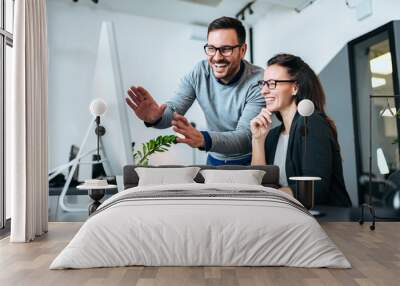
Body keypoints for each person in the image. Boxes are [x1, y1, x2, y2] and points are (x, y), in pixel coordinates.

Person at [126, 16, 264, 166]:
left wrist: (203, 139)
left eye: (226, 49)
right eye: (211, 49)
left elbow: (245, 138)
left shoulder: (259, 81)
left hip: (249, 159)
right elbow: (174, 109)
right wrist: (155, 118)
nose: (217, 57)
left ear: (242, 50)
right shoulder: (199, 72)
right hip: (214, 158)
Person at [250, 53, 352, 206]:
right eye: (263, 83)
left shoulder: (312, 123)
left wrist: (268, 195)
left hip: (328, 222)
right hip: (292, 217)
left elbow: (314, 190)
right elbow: (258, 183)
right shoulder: (272, 135)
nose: (263, 91)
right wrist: (257, 140)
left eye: (271, 83)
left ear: (295, 87)